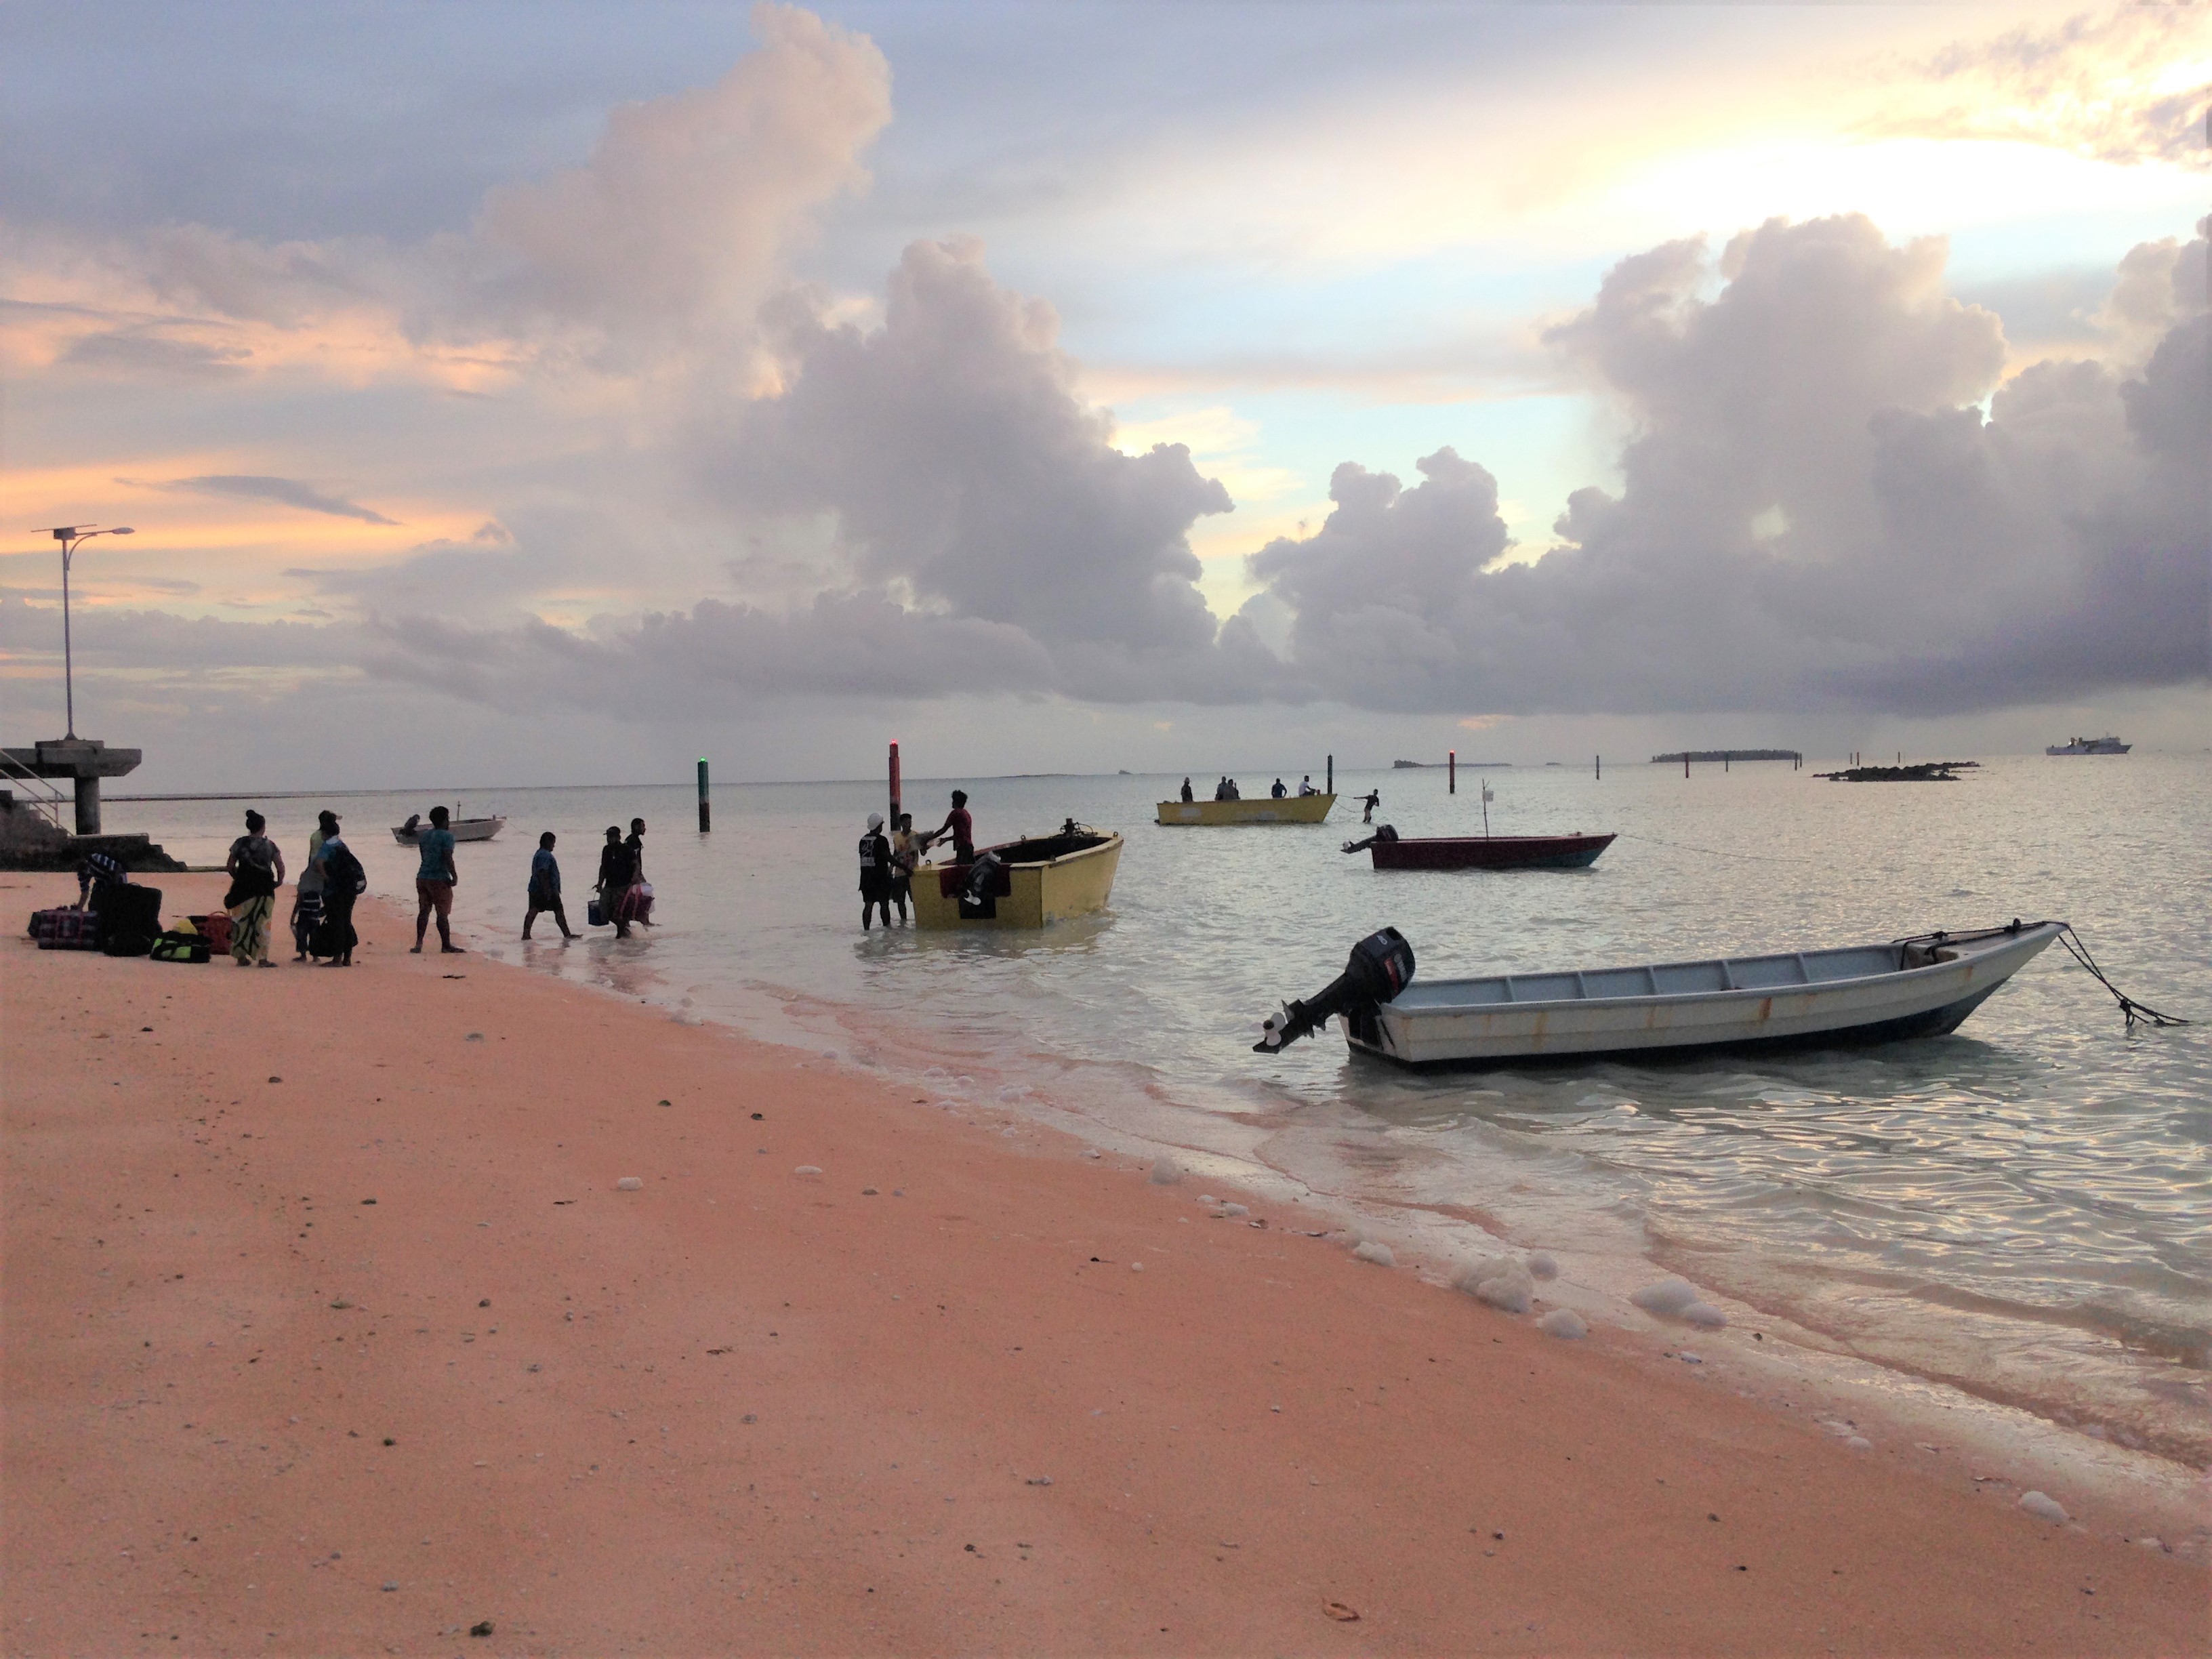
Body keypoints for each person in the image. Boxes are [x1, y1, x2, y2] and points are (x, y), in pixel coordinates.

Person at [224, 810, 286, 968]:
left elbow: (230, 866)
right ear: (263, 827)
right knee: (262, 923)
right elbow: (280, 866)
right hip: (264, 888)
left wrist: (238, 878)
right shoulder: (269, 845)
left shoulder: (239, 843)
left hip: (242, 888)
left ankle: (241, 957)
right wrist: (279, 881)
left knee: (240, 922)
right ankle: (262, 959)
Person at [411, 804, 462, 955]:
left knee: (424, 911)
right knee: (442, 914)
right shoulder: (448, 837)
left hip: (423, 876)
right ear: (445, 820)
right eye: (448, 819)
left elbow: (424, 856)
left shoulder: (425, 836)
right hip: (439, 878)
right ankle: (446, 945)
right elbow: (448, 857)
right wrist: (455, 875)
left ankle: (419, 944)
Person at [314, 821, 363, 966]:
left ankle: (337, 959)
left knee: (336, 922)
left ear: (324, 833)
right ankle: (347, 958)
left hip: (334, 890)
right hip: (349, 889)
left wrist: (325, 877)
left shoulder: (327, 846)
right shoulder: (342, 845)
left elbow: (319, 863)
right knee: (346, 921)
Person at [291, 809, 335, 961]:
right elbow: (318, 858)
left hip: (316, 874)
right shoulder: (326, 838)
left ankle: (309, 952)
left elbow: (311, 857)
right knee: (317, 912)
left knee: (308, 916)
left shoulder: (315, 836)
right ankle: (317, 951)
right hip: (323, 874)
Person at [524, 831, 577, 941]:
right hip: (546, 889)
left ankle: (526, 935)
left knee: (533, 911)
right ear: (547, 842)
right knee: (558, 911)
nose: (554, 845)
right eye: (553, 842)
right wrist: (547, 890)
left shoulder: (539, 853)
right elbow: (543, 872)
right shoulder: (545, 855)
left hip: (535, 888)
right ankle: (567, 934)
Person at [858, 812, 895, 930]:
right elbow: (888, 857)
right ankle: (887, 930)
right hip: (880, 878)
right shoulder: (882, 840)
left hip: (866, 878)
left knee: (868, 905)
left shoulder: (863, 840)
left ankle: (866, 930)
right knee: (884, 904)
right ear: (880, 826)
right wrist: (903, 867)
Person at [595, 825, 633, 937]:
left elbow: (635, 865)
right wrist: (599, 883)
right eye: (608, 836)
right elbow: (603, 867)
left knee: (617, 912)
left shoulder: (626, 850)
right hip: (609, 885)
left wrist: (633, 881)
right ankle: (624, 930)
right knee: (603, 911)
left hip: (623, 885)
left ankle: (621, 935)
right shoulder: (606, 850)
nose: (609, 839)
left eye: (611, 836)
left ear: (618, 837)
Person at [617, 817, 653, 929]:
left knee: (630, 896)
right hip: (634, 873)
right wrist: (636, 875)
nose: (645, 828)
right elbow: (633, 859)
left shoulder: (630, 840)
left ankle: (629, 921)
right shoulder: (634, 842)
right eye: (643, 826)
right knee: (647, 893)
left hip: (629, 873)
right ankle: (645, 921)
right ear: (637, 827)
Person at [928, 790, 975, 865]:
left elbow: (944, 829)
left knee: (961, 870)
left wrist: (931, 837)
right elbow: (962, 834)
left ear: (955, 802)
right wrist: (946, 840)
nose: (952, 802)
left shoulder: (955, 813)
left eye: (953, 800)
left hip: (963, 847)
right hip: (969, 846)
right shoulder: (966, 813)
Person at [888, 812, 919, 924]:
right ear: (901, 823)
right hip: (900, 873)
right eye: (906, 822)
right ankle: (903, 921)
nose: (908, 824)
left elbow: (921, 852)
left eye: (910, 822)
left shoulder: (915, 835)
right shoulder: (897, 837)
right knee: (900, 900)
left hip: (913, 872)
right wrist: (891, 866)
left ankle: (918, 920)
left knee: (915, 899)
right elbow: (895, 853)